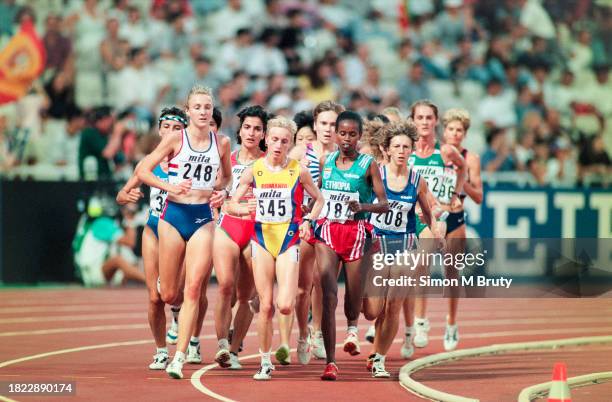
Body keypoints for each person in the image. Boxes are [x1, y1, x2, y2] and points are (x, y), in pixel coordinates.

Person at [136, 85, 232, 379]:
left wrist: (222, 192)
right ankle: (170, 291)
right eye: (198, 107)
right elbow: (143, 169)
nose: (203, 112)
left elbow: (226, 176)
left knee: (193, 288)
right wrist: (169, 187)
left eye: (207, 107)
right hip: (172, 216)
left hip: (202, 218)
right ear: (188, 111)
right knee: (168, 295)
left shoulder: (222, 143)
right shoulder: (177, 139)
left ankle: (178, 357)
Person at [229, 116, 324, 380]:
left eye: (284, 140)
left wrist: (308, 220)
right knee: (266, 305)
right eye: (274, 139)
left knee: (284, 305)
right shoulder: (254, 169)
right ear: (266, 139)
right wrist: (241, 208)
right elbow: (231, 203)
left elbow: (319, 199)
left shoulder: (298, 170)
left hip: (288, 239)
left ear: (290, 142)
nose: (279, 144)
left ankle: (288, 336)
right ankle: (264, 361)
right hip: (261, 240)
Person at [315, 110, 389, 381]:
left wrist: (363, 206)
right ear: (335, 134)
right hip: (327, 232)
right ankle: (331, 362)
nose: (346, 139)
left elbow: (384, 204)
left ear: (359, 136)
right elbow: (319, 195)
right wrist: (309, 209)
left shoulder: (369, 164)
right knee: (328, 293)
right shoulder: (326, 160)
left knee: (352, 300)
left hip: (357, 233)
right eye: (342, 133)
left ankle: (352, 328)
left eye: (352, 134)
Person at [365, 120, 440, 377]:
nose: (401, 151)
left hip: (404, 245)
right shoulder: (374, 175)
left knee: (393, 305)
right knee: (374, 309)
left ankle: (380, 360)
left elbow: (428, 212)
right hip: (376, 244)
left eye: (406, 146)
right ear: (386, 149)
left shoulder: (417, 181)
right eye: (396, 146)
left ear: (412, 149)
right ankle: (374, 339)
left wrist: (435, 231)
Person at [117, 106, 188, 370]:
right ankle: (160, 350)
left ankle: (179, 315)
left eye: (177, 128)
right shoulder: (149, 162)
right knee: (154, 297)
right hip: (154, 230)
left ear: (184, 132)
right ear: (159, 130)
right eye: (166, 127)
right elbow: (122, 194)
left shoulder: (192, 160)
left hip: (182, 232)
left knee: (175, 293)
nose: (171, 133)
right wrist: (128, 195)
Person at [287, 100, 345, 363]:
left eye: (333, 124)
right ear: (315, 124)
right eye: (323, 123)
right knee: (302, 288)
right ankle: (302, 334)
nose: (328, 129)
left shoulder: (346, 154)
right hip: (304, 223)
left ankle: (318, 335)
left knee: (324, 284)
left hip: (333, 225)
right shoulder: (300, 152)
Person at [408, 100, 466, 354]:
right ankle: (420, 322)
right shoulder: (405, 151)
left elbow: (462, 168)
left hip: (445, 215)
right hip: (419, 218)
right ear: (412, 121)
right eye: (419, 117)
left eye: (428, 117)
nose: (424, 122)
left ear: (435, 121)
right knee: (422, 263)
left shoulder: (445, 152)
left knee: (451, 272)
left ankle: (451, 323)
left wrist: (456, 194)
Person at [213, 105, 269, 370]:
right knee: (225, 285)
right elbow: (215, 190)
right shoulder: (229, 159)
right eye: (247, 127)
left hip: (256, 229)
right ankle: (222, 344)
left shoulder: (270, 162)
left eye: (257, 128)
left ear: (264, 133)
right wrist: (220, 200)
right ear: (240, 130)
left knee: (247, 295)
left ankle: (234, 351)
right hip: (229, 225)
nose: (251, 132)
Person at [440, 108, 482, 350]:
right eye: (451, 129)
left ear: (464, 135)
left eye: (459, 130)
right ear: (444, 132)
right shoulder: (435, 154)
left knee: (451, 273)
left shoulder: (470, 158)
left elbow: (478, 196)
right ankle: (414, 324)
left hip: (455, 218)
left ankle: (451, 322)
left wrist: (461, 178)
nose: (455, 134)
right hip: (431, 217)